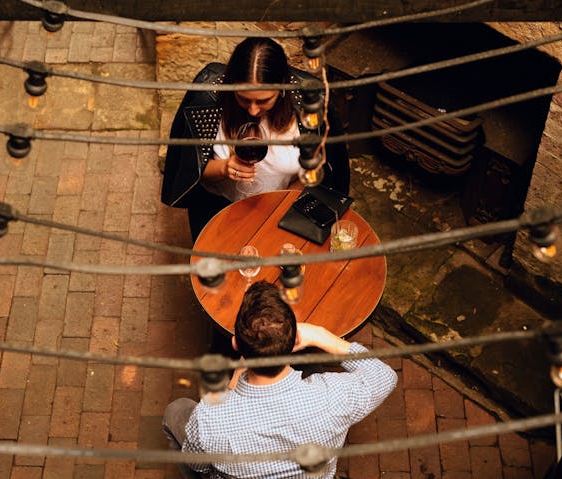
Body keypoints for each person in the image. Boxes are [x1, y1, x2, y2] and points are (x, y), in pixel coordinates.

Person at [162, 281, 398, 479]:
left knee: (175, 410)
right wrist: (320, 335)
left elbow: (200, 465)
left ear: (235, 343)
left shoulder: (208, 419)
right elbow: (384, 375)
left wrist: (230, 390)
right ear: (295, 340)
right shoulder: (334, 398)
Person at [161, 37, 350, 241]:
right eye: (243, 98)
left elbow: (318, 171)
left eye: (263, 101)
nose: (252, 110)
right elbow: (190, 171)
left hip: (281, 211)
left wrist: (279, 211)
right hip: (217, 209)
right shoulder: (208, 100)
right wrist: (224, 168)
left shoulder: (308, 105)